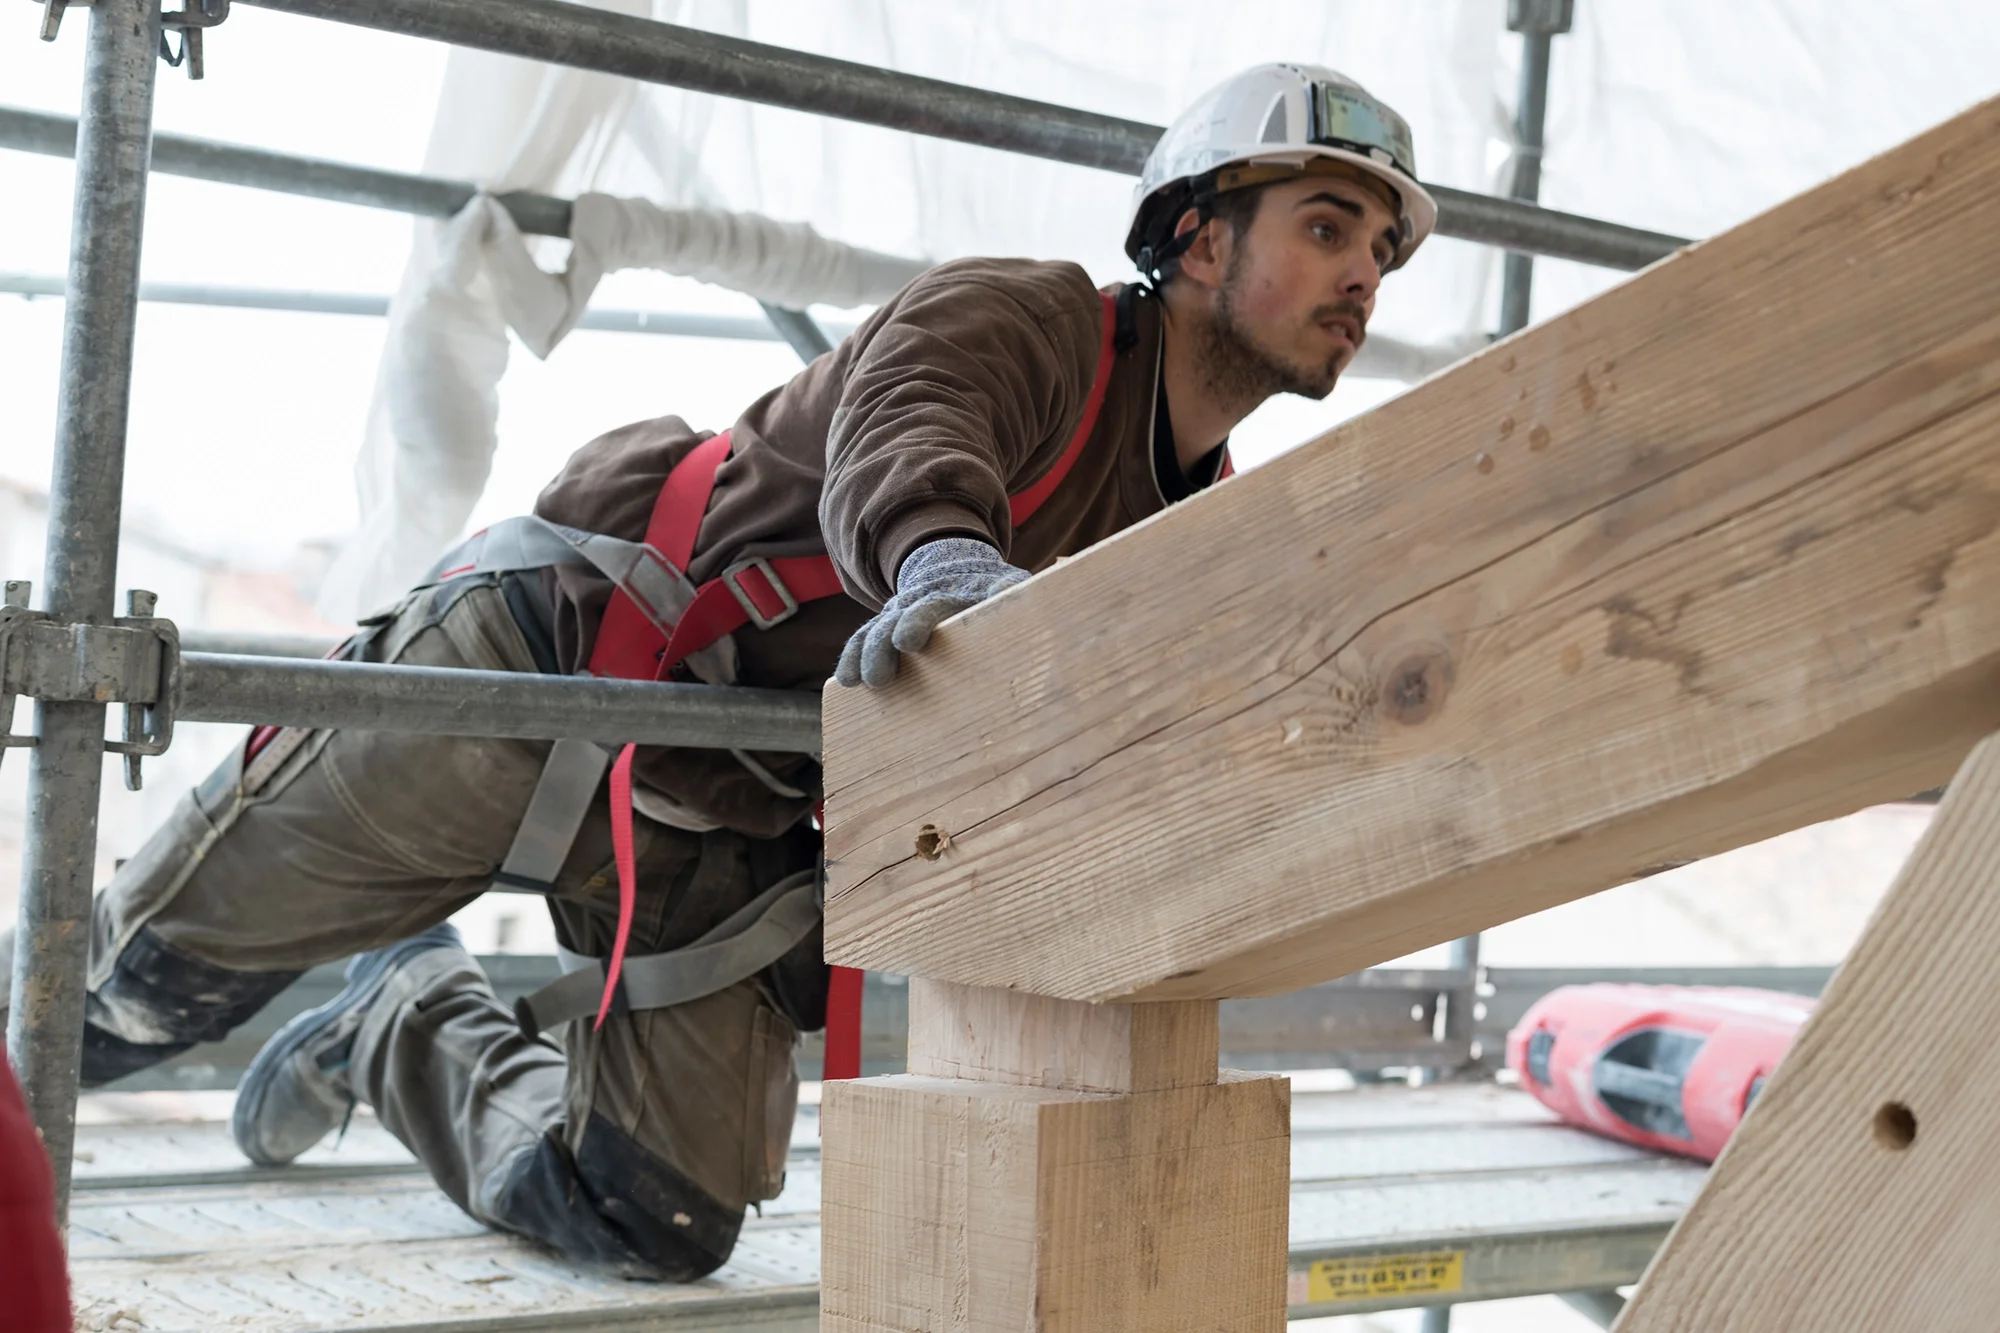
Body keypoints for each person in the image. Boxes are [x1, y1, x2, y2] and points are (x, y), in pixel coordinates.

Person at [0, 64, 1433, 1280]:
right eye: (1326, 226)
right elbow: (913, 415)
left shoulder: (1194, 518)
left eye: (1380, 248)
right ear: (1193, 238)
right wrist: (942, 559)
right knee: (105, 1011)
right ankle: (296, 976)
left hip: (717, 805)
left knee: (656, 1212)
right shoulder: (1036, 320)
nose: (1364, 274)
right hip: (543, 666)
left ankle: (404, 1013)